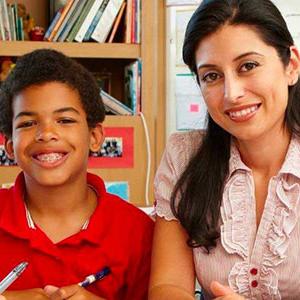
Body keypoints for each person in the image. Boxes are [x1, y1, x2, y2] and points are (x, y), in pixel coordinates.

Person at [149, 0, 300, 299]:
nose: (232, 94)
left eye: (248, 66)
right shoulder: (183, 157)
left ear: (291, 65)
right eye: (212, 76)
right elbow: (168, 286)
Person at [0, 49, 154, 300]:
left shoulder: (138, 232)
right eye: (27, 123)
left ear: (95, 137)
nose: (46, 134)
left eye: (65, 120)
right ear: (9, 146)